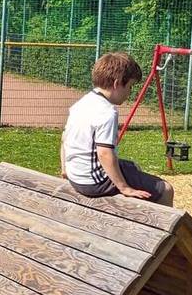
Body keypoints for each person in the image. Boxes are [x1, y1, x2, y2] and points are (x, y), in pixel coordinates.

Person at [60, 52, 174, 206]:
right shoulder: (107, 112)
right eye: (130, 86)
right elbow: (105, 154)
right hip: (93, 182)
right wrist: (124, 188)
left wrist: (65, 169)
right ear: (117, 83)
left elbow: (64, 139)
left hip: (76, 175)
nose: (129, 93)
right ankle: (160, 228)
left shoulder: (82, 103)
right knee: (166, 189)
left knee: (133, 167)